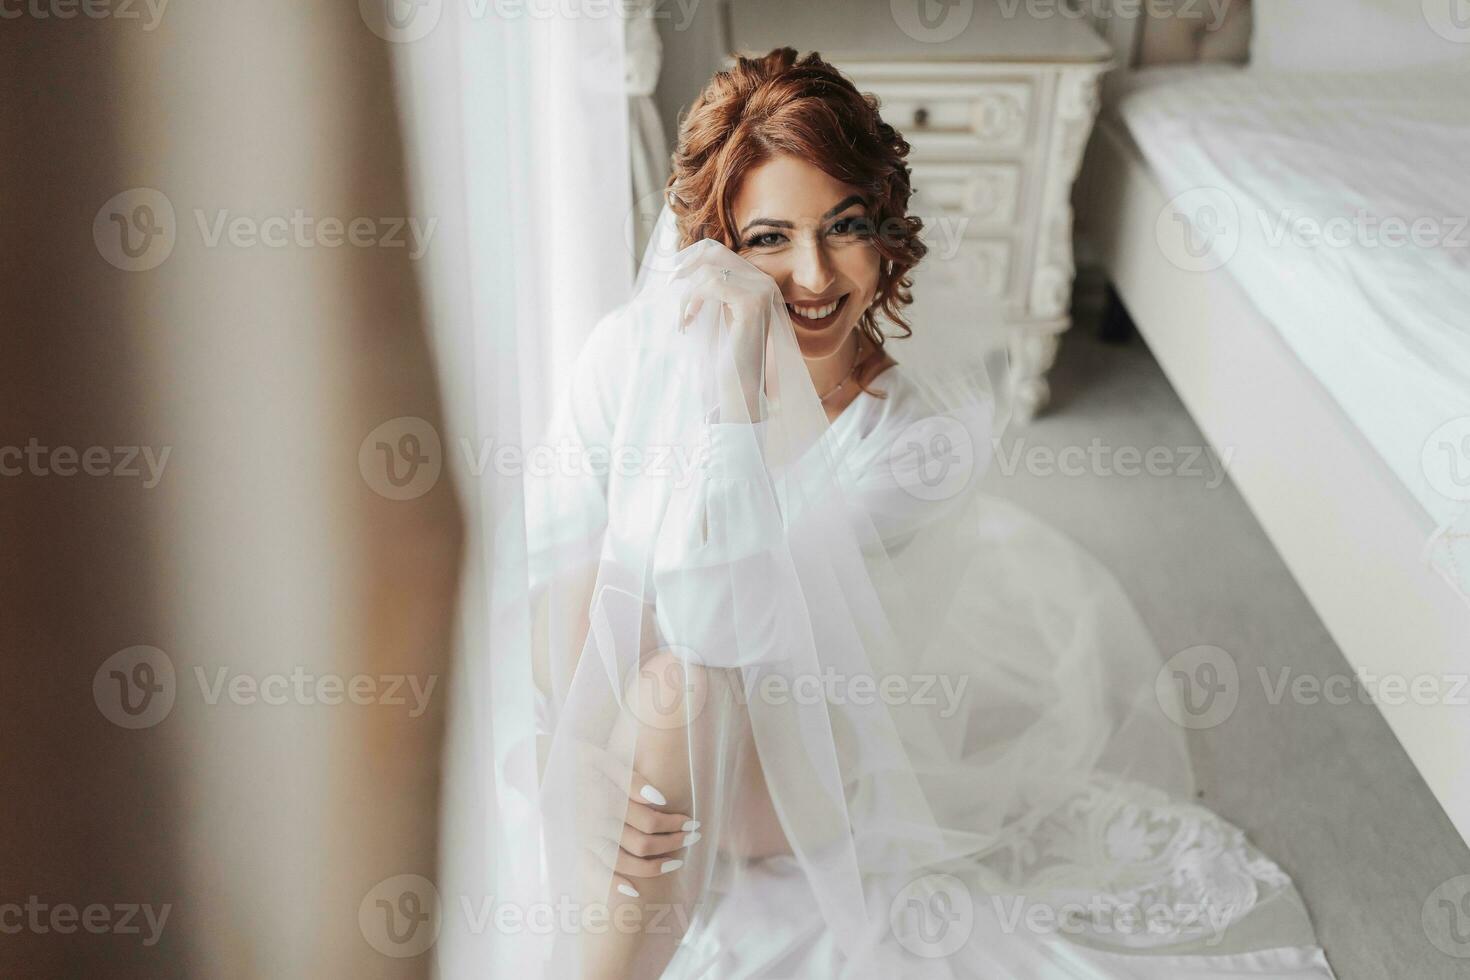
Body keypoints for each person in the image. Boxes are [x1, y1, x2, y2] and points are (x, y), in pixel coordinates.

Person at [511, 47, 1338, 980]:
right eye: (769, 238)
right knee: (593, 601)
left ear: (886, 229)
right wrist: (572, 755)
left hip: (792, 770)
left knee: (680, 692)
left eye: (845, 226)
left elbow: (720, 632)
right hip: (649, 709)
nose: (816, 276)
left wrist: (732, 405)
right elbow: (549, 556)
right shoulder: (627, 349)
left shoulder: (919, 438)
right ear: (713, 248)